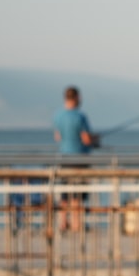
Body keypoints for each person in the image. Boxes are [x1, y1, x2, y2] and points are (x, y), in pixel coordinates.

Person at [52, 86, 94, 232]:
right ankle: (76, 224)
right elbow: (86, 139)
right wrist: (95, 140)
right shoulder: (80, 117)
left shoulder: (58, 116)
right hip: (79, 159)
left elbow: (57, 136)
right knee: (77, 193)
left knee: (64, 193)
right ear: (76, 98)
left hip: (64, 157)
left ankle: (63, 223)